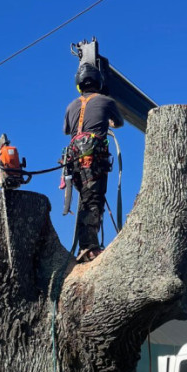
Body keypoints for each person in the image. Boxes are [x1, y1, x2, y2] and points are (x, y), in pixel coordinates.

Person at [63, 63, 124, 261]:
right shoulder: (107, 101)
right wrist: (105, 118)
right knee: (93, 200)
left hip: (74, 160)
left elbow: (67, 130)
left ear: (79, 85)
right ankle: (89, 247)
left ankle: (87, 244)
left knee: (85, 199)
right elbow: (119, 123)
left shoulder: (71, 106)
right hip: (93, 158)